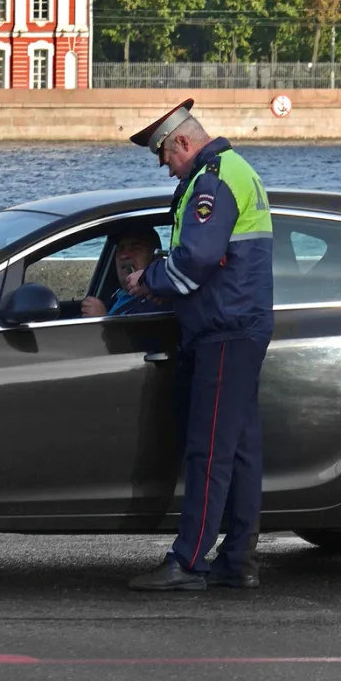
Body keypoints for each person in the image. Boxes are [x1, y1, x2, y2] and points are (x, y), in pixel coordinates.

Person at [121, 99, 274, 591]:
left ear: (184, 141)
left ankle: (187, 561)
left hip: (224, 329)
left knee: (207, 452)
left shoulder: (213, 179)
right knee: (242, 451)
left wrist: (149, 279)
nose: (165, 166)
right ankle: (238, 559)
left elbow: (197, 259)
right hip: (239, 325)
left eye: (164, 154)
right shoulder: (230, 171)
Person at [80, 225, 169, 318]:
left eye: (135, 248)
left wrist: (101, 319)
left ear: (155, 259)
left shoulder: (158, 303)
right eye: (120, 249)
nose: (123, 256)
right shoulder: (116, 295)